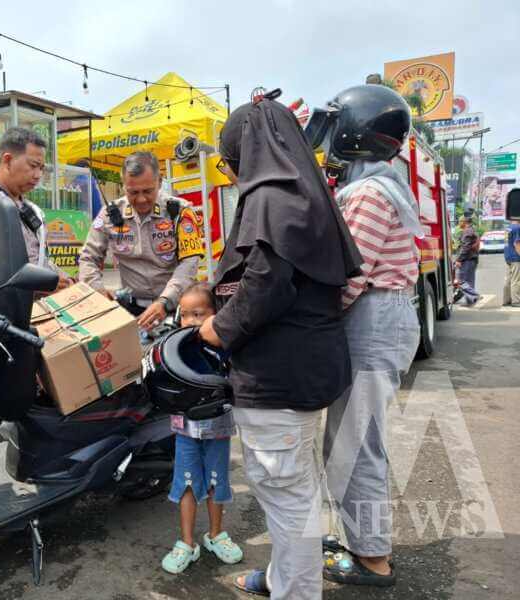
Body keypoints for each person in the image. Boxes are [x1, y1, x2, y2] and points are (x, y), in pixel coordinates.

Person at [197, 96, 362, 599]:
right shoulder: (304, 192)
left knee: (287, 498)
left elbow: (266, 282)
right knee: (296, 492)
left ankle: (296, 590)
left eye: (228, 161)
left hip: (277, 377)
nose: (229, 172)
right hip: (305, 372)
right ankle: (283, 580)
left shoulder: (271, 198)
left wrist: (218, 328)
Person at [307, 84, 422, 588]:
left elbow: (350, 276)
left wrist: (306, 322)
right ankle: (361, 540)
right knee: (348, 439)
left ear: (354, 132)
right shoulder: (379, 184)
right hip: (379, 318)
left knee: (356, 443)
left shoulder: (369, 193)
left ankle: (373, 558)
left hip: (373, 320)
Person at [161, 282, 242, 574]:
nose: (190, 321)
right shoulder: (175, 346)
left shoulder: (224, 345)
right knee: (186, 482)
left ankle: (215, 535)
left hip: (218, 428)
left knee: (216, 481)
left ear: (215, 315)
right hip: (185, 429)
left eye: (198, 314)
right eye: (184, 315)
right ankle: (186, 543)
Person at [79, 151, 202, 331]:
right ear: (123, 185)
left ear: (159, 182)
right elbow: (88, 257)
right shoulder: (109, 215)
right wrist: (98, 291)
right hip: (131, 311)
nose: (141, 199)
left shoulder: (180, 212)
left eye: (148, 191)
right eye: (133, 192)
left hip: (177, 309)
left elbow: (189, 263)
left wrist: (165, 301)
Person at [0, 127, 71, 291]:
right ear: (8, 161)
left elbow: (38, 260)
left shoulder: (32, 210)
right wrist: (35, 284)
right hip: (1, 305)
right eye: (33, 165)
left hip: (38, 304)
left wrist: (66, 279)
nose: (38, 175)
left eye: (41, 168)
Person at [455, 214, 480, 305]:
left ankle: (474, 295)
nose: (458, 223)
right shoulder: (471, 230)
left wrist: (459, 259)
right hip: (471, 259)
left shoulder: (467, 231)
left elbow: (465, 247)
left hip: (467, 260)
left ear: (464, 222)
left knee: (461, 281)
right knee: (469, 281)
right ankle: (470, 300)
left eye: (459, 221)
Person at [503, 219, 520, 306]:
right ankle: (516, 301)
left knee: (508, 279)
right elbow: (517, 244)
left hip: (507, 256)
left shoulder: (507, 228)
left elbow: (506, 243)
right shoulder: (517, 228)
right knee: (516, 280)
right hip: (515, 257)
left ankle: (506, 300)